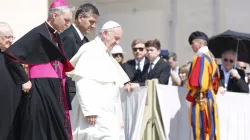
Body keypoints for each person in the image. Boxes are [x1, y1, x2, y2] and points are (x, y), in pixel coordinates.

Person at [4, 0, 75, 140]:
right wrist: (24, 80)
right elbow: (10, 55)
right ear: (55, 15)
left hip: (55, 89)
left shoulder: (56, 35)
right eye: (66, 20)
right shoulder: (38, 33)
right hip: (41, 90)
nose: (68, 24)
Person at [67, 21, 130, 140]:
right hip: (95, 112)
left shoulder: (106, 53)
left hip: (108, 112)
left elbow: (113, 86)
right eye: (116, 38)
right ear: (105, 33)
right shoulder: (90, 49)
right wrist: (89, 110)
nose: (118, 42)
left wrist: (119, 116)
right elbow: (83, 81)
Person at [61, 3, 99, 102]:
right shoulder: (68, 37)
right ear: (80, 17)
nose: (93, 26)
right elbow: (64, 68)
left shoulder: (85, 40)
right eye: (91, 22)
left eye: (95, 23)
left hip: (80, 90)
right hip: (69, 91)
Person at [186, 31, 220, 140]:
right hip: (210, 97)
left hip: (201, 98)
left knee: (200, 129)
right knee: (210, 129)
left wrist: (191, 95)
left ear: (200, 44)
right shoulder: (212, 57)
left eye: (192, 43)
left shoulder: (200, 57)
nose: (191, 45)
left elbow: (199, 83)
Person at [0, 22, 22, 140]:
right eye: (7, 37)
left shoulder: (13, 54)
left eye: (11, 37)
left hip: (14, 102)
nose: (10, 40)